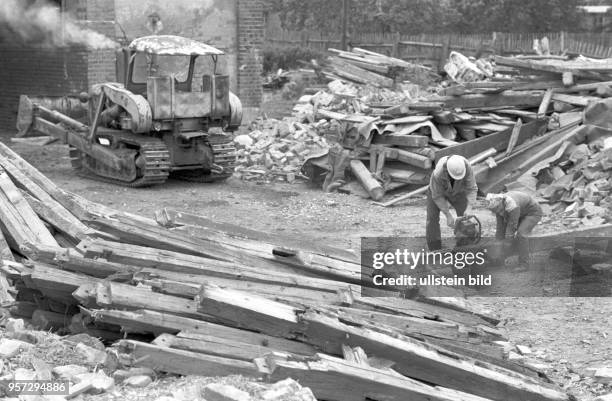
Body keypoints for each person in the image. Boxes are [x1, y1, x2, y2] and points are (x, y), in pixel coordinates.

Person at [426, 155, 478, 250]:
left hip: (458, 191)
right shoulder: (438, 173)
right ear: (447, 171)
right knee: (432, 218)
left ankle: (465, 248)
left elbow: (472, 188)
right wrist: (448, 215)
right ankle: (434, 249)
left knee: (466, 219)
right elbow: (437, 196)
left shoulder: (467, 167)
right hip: (436, 191)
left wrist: (469, 207)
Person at [485, 191, 543, 268]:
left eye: (498, 210)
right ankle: (499, 260)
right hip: (520, 212)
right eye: (495, 211)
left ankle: (524, 264)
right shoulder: (496, 203)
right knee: (500, 235)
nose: (497, 212)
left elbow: (511, 227)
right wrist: (498, 242)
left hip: (532, 213)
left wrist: (507, 243)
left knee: (521, 234)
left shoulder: (512, 205)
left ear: (501, 203)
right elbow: (500, 228)